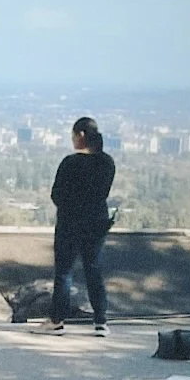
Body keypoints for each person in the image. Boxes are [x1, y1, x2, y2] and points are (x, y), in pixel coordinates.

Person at [48, 116, 115, 336]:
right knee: (93, 269)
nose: (73, 140)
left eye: (74, 136)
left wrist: (70, 207)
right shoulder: (107, 163)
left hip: (70, 223)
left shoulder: (70, 163)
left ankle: (57, 320)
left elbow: (56, 194)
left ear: (82, 136)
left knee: (64, 272)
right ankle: (100, 320)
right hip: (96, 223)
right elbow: (101, 194)